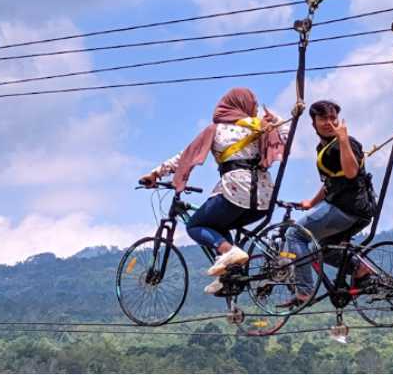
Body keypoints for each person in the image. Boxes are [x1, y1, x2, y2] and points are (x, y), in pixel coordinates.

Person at [139, 87, 288, 294]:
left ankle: (228, 251)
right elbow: (285, 138)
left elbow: (186, 156)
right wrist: (277, 119)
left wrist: (155, 174)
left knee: (195, 224)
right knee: (218, 224)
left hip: (236, 193)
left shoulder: (217, 130)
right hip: (263, 201)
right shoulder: (260, 127)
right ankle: (226, 275)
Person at [284, 100, 378, 306]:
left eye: (332, 118)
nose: (328, 122)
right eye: (323, 118)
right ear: (314, 123)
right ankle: (360, 270)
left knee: (295, 234)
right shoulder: (322, 147)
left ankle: (304, 292)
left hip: (349, 208)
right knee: (323, 247)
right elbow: (331, 183)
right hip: (349, 208)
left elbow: (352, 172)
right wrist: (312, 202)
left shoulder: (346, 142)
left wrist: (343, 140)